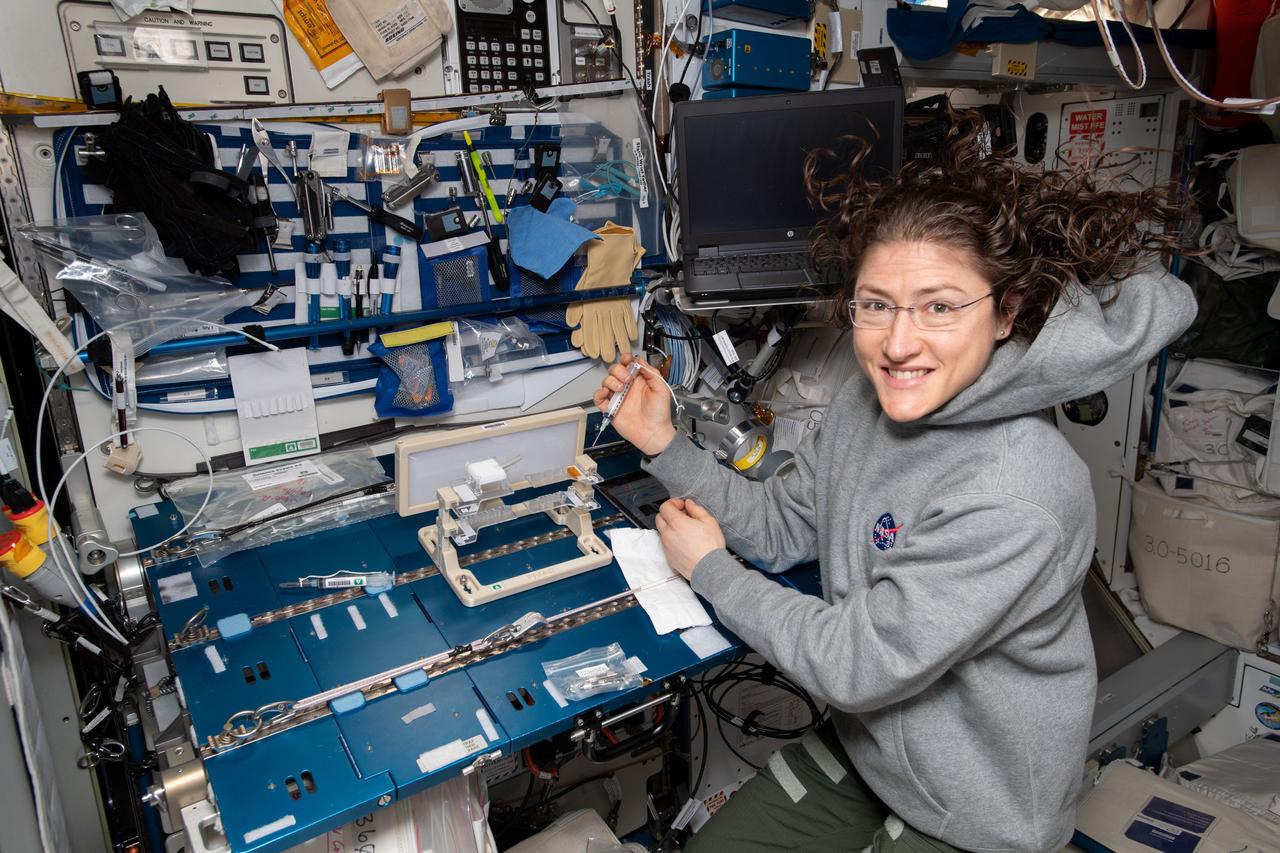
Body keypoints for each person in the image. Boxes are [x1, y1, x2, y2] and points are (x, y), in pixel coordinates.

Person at [593, 120, 1198, 852]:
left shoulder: (1019, 488)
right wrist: (662, 440)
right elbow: (787, 529)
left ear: (1005, 312)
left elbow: (853, 662)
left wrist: (712, 570)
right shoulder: (866, 394)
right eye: (876, 304)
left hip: (979, 811)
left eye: (940, 306)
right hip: (873, 749)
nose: (898, 341)